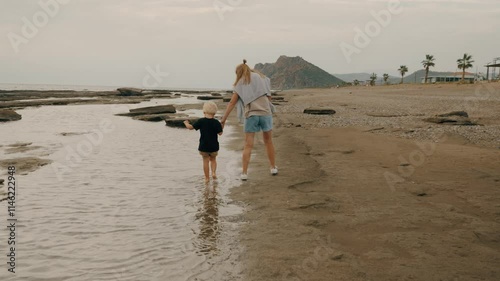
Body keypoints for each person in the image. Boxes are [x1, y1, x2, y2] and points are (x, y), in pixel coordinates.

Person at [220, 59, 277, 181]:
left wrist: (223, 119)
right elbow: (269, 97)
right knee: (268, 142)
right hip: (265, 113)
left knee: (248, 144)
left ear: (239, 72)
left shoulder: (240, 82)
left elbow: (232, 103)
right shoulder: (263, 78)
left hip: (251, 115)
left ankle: (244, 173)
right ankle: (273, 167)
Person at [184, 102, 223, 182]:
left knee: (205, 161)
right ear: (214, 112)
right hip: (214, 146)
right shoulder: (216, 122)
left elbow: (190, 128)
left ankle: (207, 178)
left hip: (204, 146)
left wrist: (186, 123)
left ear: (204, 112)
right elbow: (220, 133)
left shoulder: (201, 121)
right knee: (213, 159)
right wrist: (222, 126)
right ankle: (213, 173)